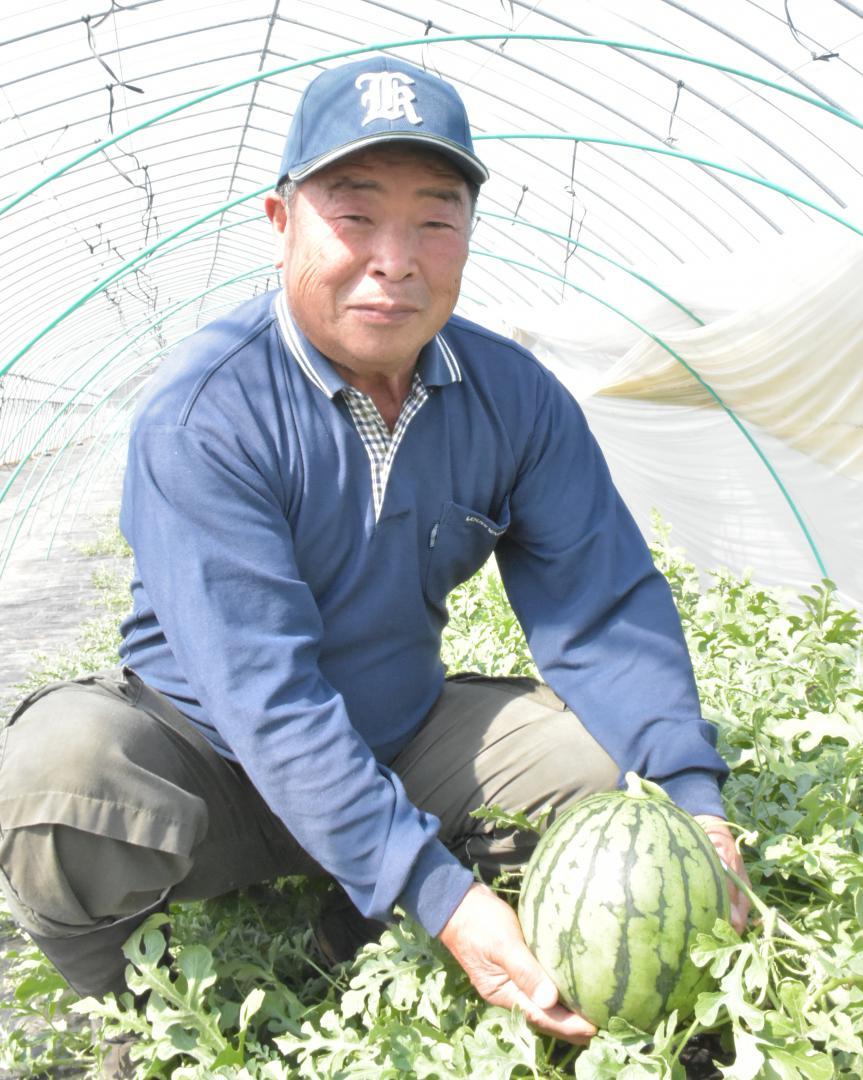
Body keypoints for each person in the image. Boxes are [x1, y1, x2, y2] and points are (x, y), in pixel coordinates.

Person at [0, 55, 749, 1052]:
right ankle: (139, 1022)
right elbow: (264, 696)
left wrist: (691, 802)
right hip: (208, 757)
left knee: (597, 762)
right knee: (60, 777)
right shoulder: (205, 412)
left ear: (469, 233)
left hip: (395, 737)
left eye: (434, 218)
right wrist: (441, 896)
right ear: (282, 227)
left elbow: (599, 604)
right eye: (353, 215)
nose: (394, 257)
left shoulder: (512, 399)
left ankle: (342, 930)